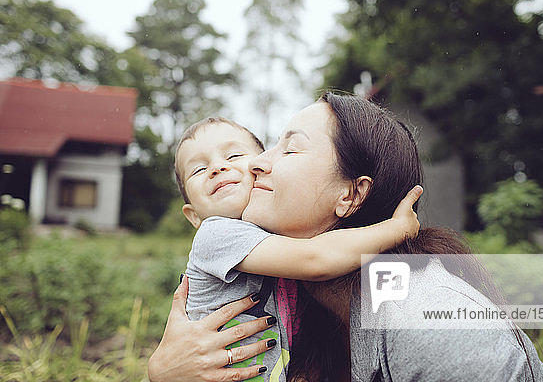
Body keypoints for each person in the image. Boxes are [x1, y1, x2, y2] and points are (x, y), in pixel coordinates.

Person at [149, 93, 543, 381]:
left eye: (289, 150)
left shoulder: (427, 322)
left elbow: (318, 257)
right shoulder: (294, 292)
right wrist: (164, 373)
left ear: (352, 194)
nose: (255, 165)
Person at [171, 116, 422, 381]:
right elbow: (316, 258)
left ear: (259, 169)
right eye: (198, 170)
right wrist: (396, 229)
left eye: (233, 155)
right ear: (193, 216)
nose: (217, 168)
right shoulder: (216, 233)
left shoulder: (273, 235)